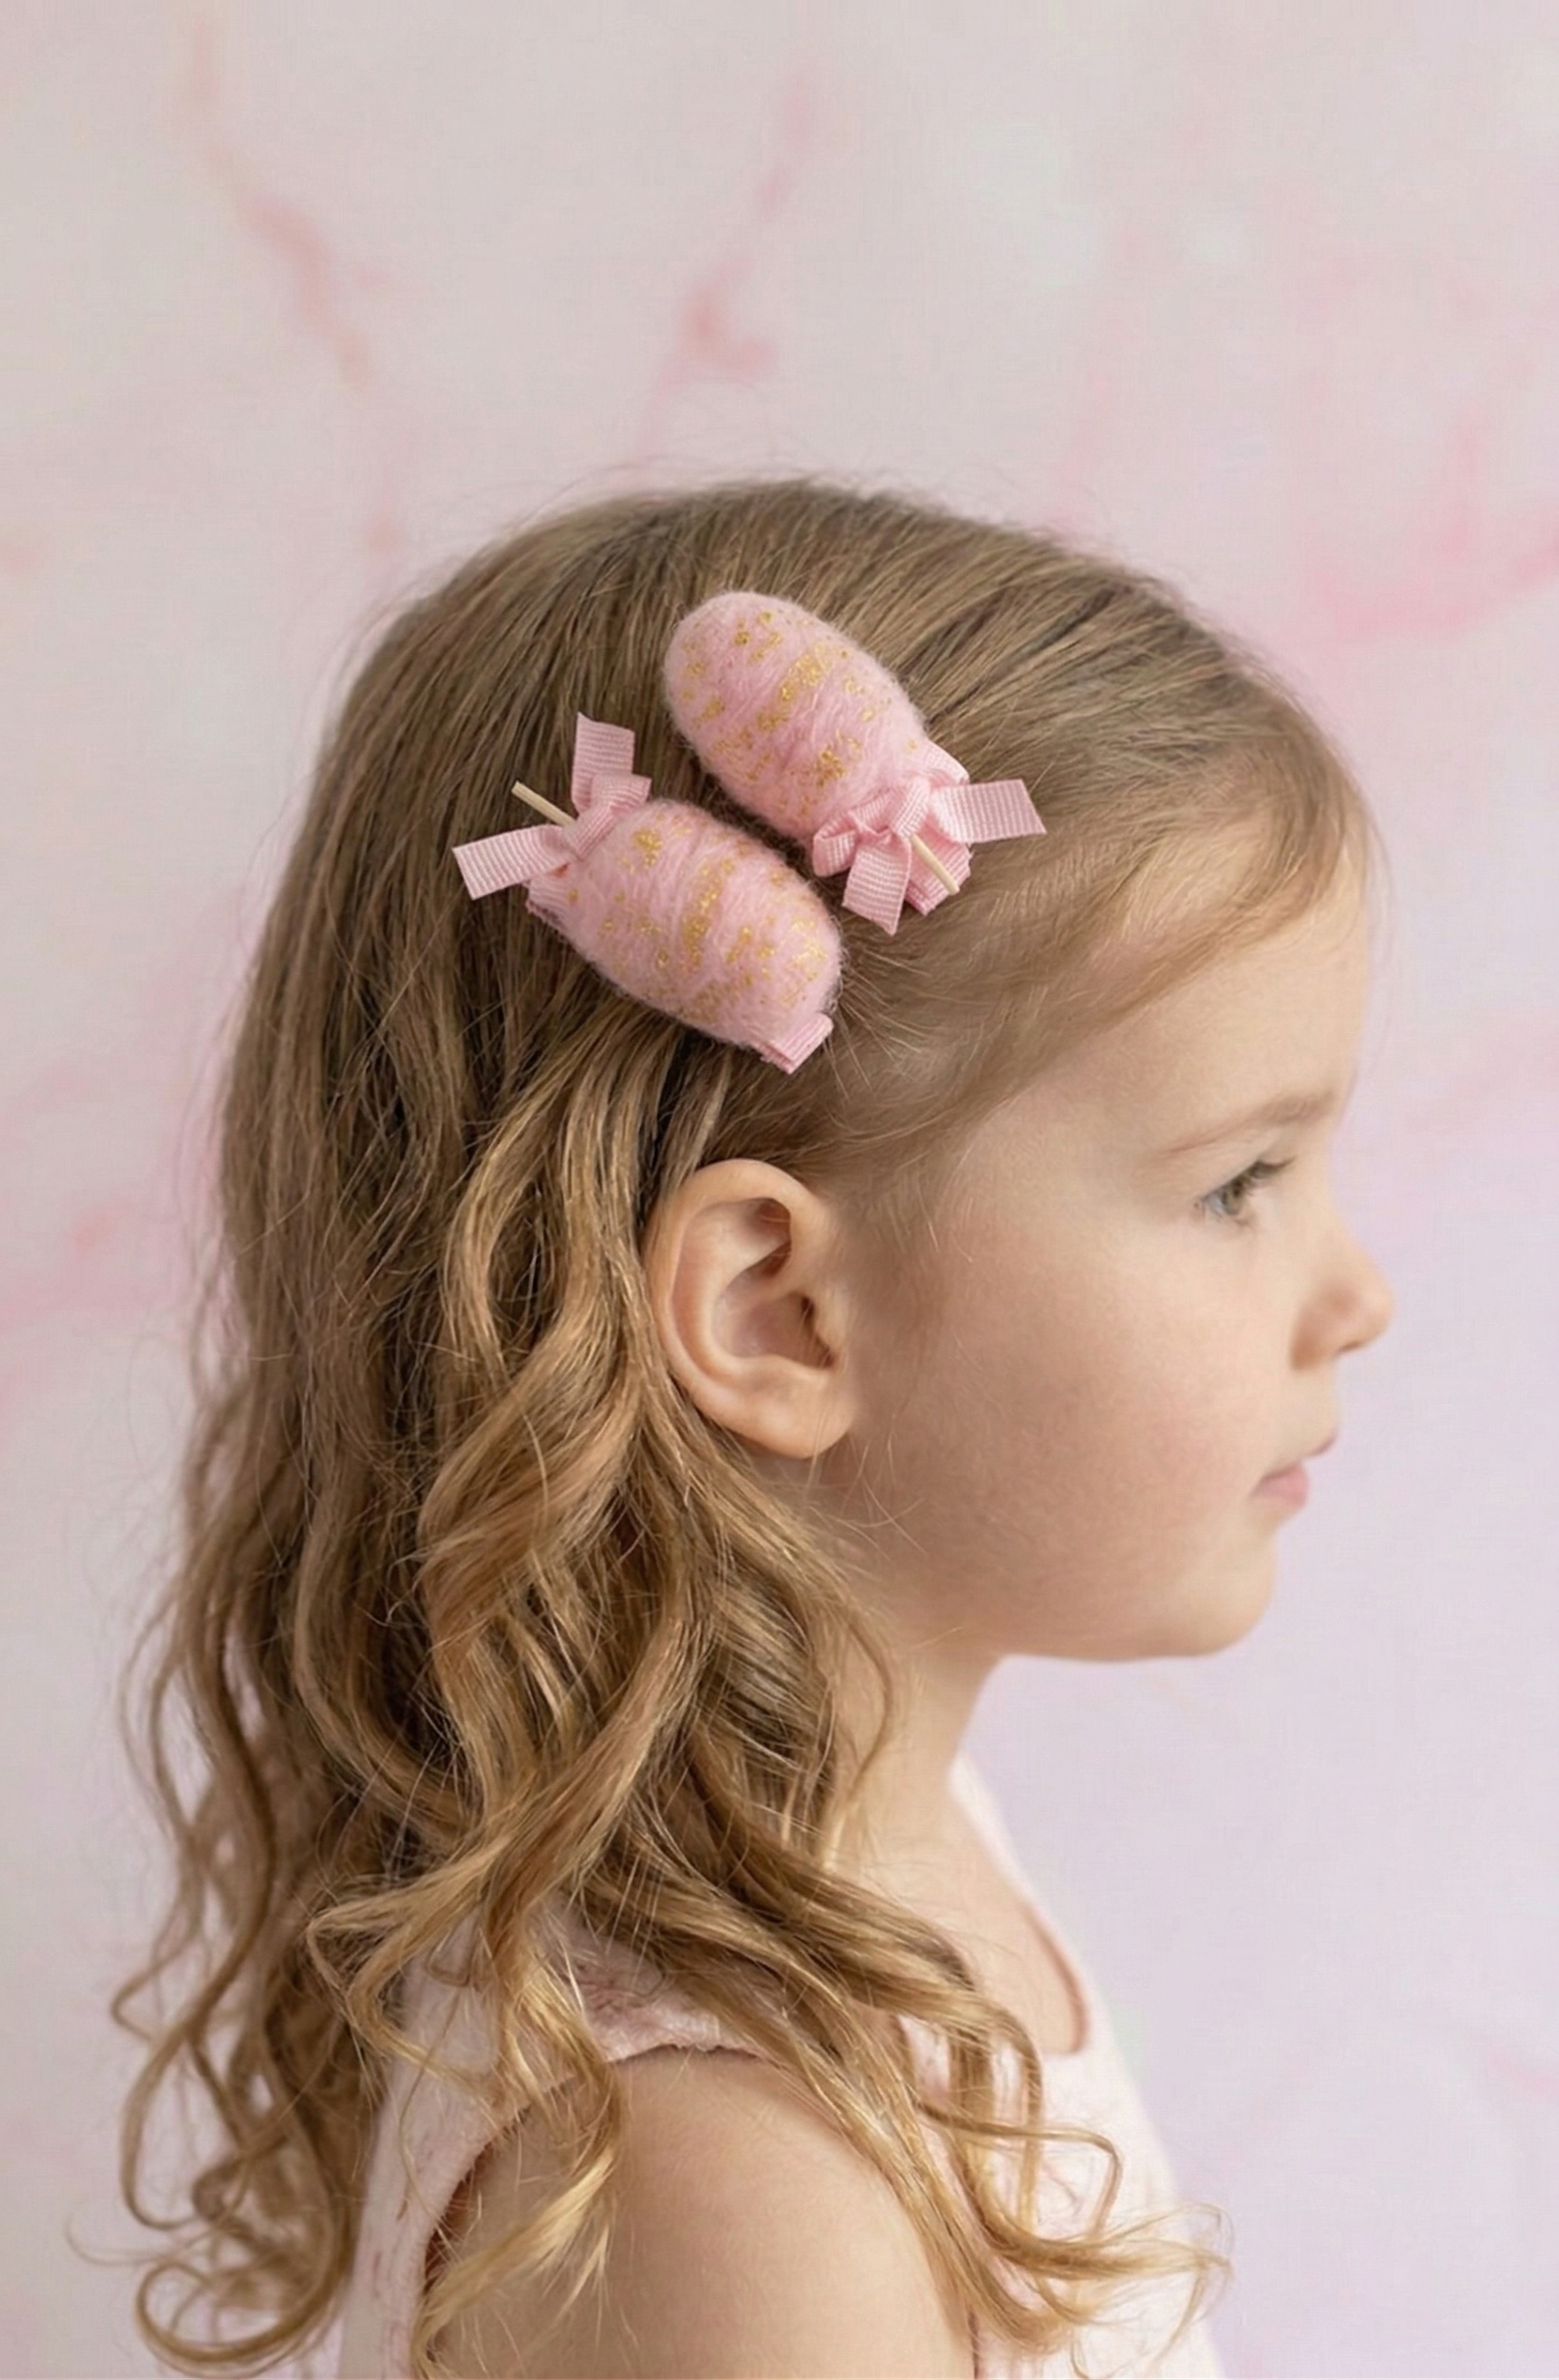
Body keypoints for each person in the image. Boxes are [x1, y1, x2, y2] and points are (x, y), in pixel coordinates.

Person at [112, 477, 1394, 2380]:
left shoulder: (873, 1855)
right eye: (1238, 1183)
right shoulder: (748, 2193)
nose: (1356, 1291)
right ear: (776, 1312)